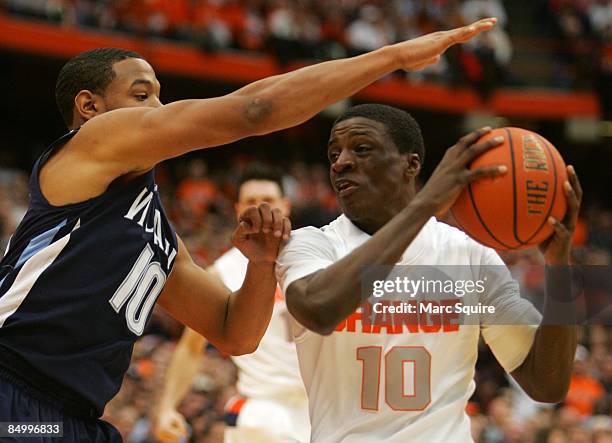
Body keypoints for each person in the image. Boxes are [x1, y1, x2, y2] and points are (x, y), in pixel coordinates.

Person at [0, 18, 497, 440]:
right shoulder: (90, 143)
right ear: (90, 108)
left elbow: (233, 332)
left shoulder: (150, 230)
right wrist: (391, 58)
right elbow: (255, 109)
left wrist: (261, 265)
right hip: (15, 386)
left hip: (72, 416)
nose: (156, 109)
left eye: (159, 96)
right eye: (140, 94)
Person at [275, 103, 582, 443]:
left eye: (361, 149)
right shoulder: (311, 246)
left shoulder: (469, 255)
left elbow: (547, 384)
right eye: (334, 153)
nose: (341, 162)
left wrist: (559, 267)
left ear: (412, 164)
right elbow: (319, 310)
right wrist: (424, 206)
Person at [154, 163, 309, 443]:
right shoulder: (223, 272)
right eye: (251, 202)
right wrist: (167, 407)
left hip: (322, 405)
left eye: (269, 201)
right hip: (263, 409)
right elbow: (191, 348)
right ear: (239, 210)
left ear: (286, 205)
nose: (261, 208)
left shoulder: (316, 258)